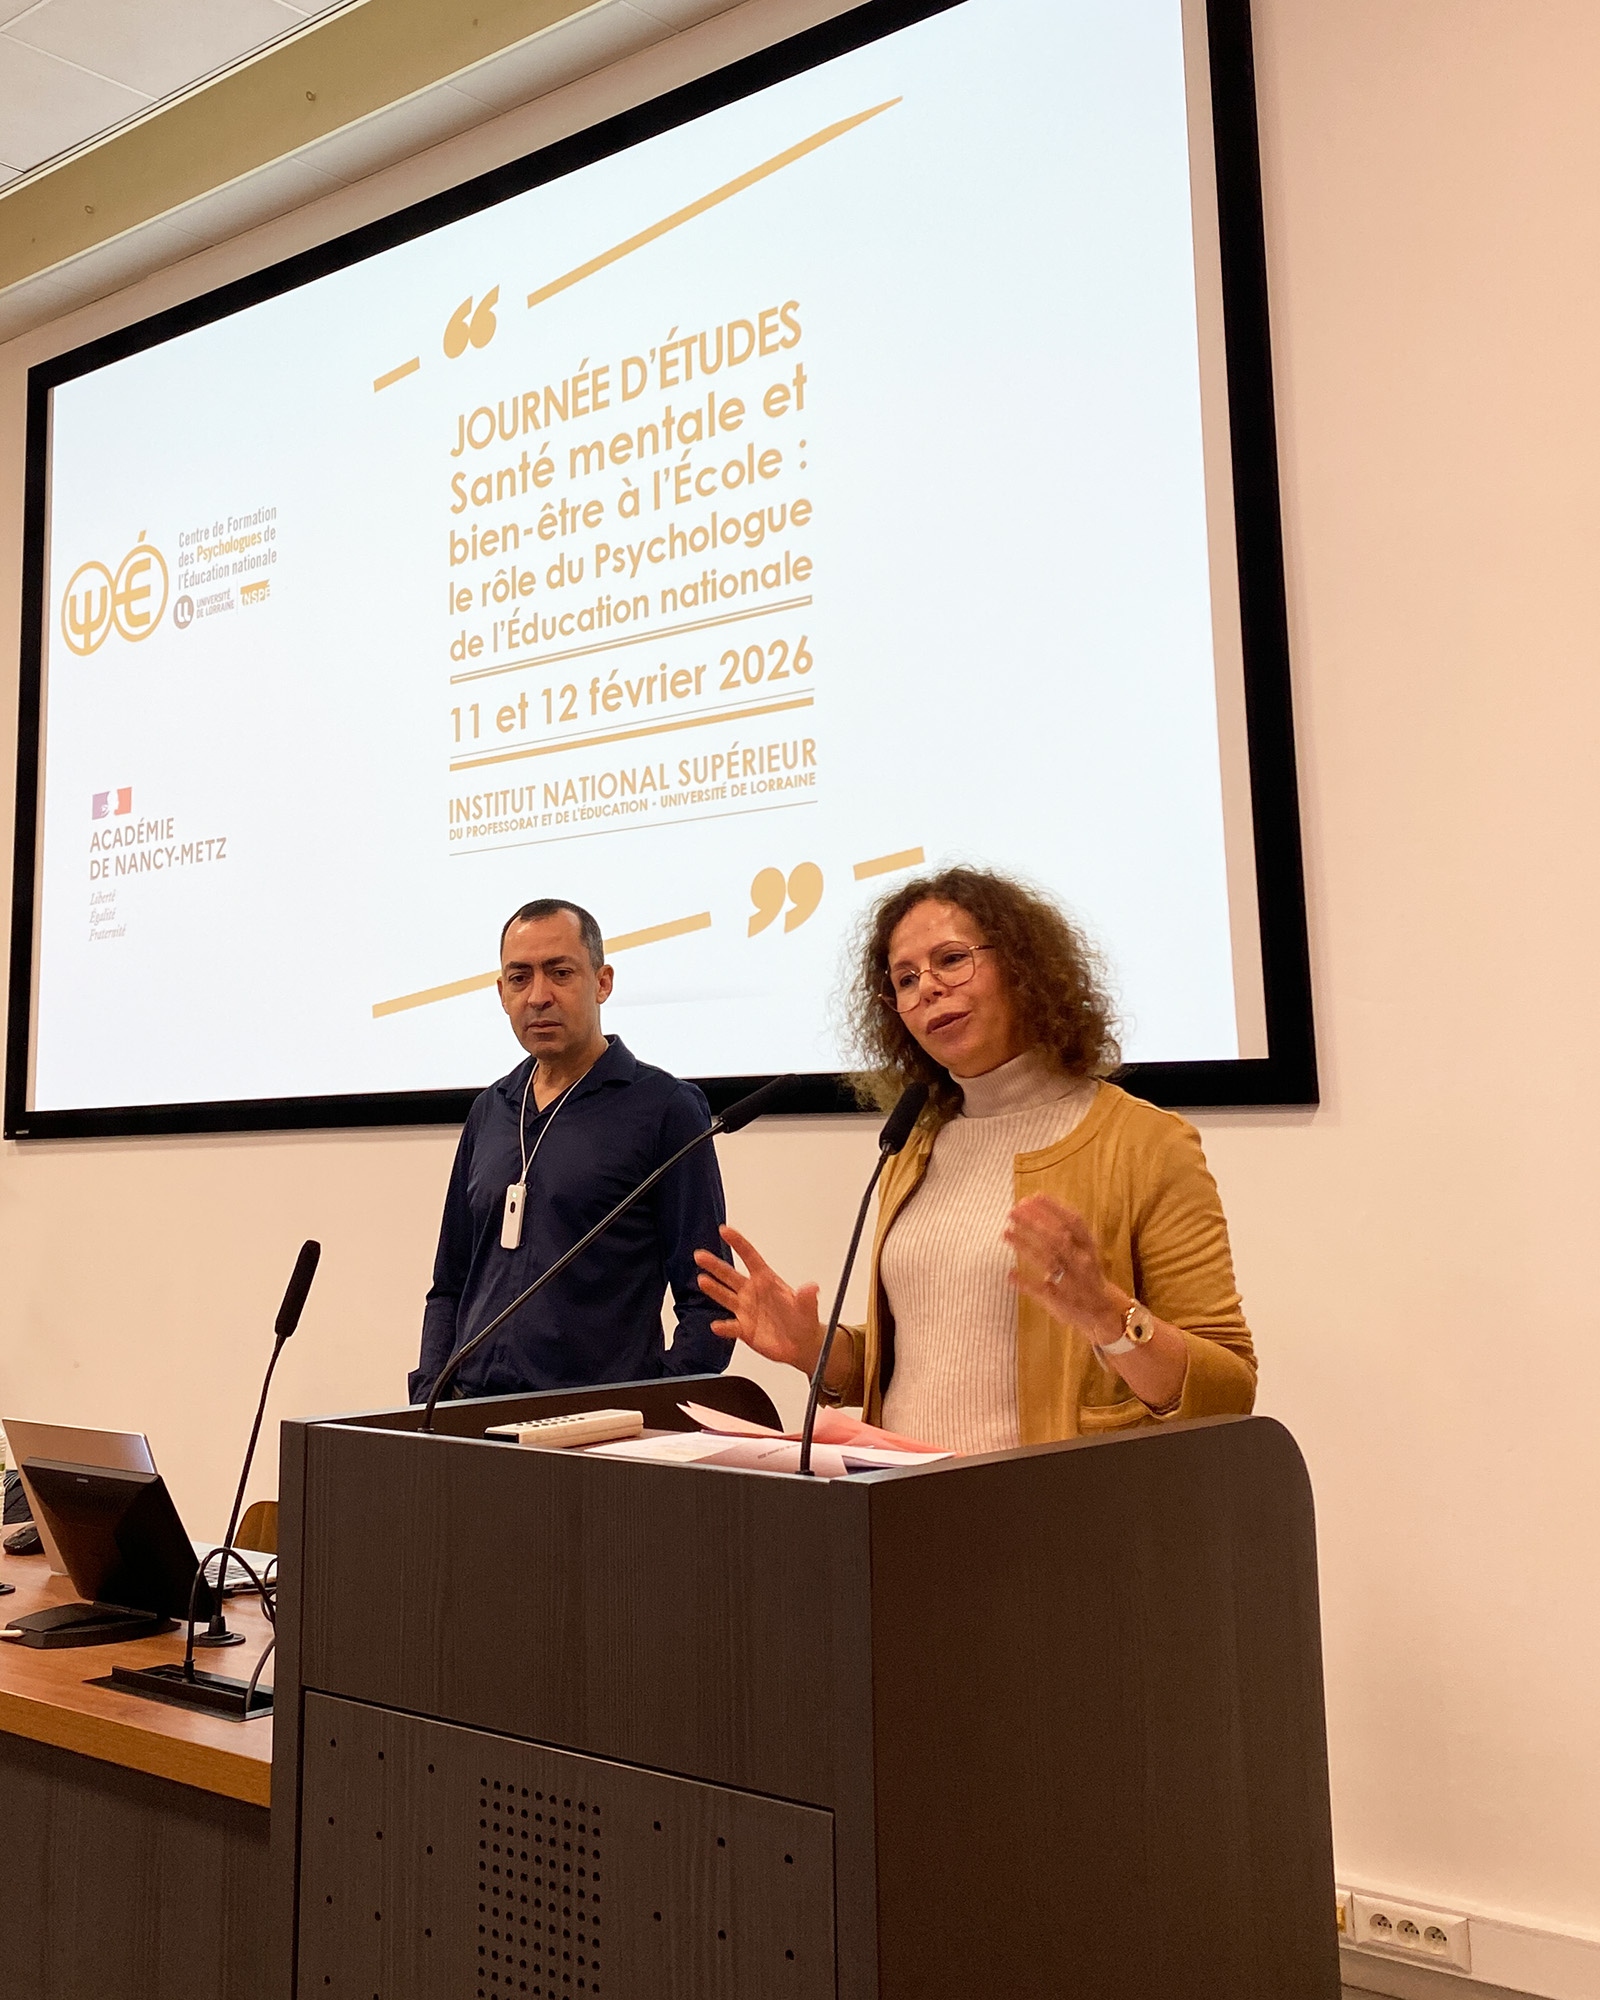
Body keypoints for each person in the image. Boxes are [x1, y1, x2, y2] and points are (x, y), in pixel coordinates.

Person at [695, 867, 1255, 1450]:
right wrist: (814, 1347)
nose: (928, 989)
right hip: (904, 1492)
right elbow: (923, 1363)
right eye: (905, 979)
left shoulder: (1144, 1142)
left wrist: (1109, 1318)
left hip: (1049, 1497)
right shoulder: (915, 1147)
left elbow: (1230, 1391)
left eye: (951, 959)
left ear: (1023, 965)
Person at [409, 898, 731, 1401]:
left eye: (560, 973)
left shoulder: (664, 1109)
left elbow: (709, 1298)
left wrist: (652, 1404)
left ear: (602, 982)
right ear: (501, 992)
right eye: (520, 978)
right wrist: (431, 1391)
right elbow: (450, 1282)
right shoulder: (490, 1110)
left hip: (597, 1427)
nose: (539, 997)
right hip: (469, 1414)